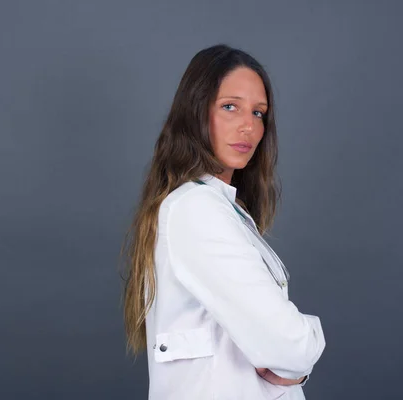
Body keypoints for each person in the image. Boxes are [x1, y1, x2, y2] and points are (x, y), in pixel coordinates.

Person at [121, 44, 326, 399]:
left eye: (259, 113)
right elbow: (292, 348)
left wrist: (288, 360)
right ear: (196, 112)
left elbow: (282, 355)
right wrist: (306, 340)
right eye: (230, 107)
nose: (248, 125)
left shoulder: (222, 208)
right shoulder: (196, 209)